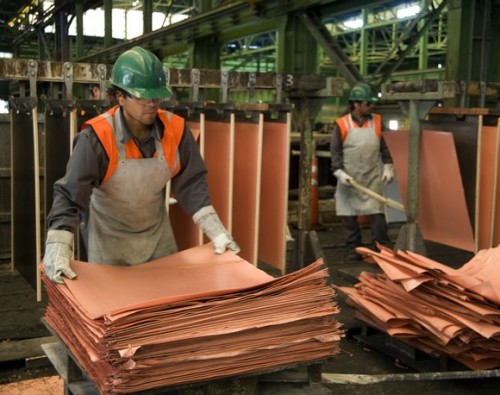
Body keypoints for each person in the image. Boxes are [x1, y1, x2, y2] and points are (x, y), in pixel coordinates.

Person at [43, 46, 240, 283]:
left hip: (157, 238)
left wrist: (217, 231)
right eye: (142, 96)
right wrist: (58, 243)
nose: (151, 103)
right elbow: (70, 192)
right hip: (108, 241)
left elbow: (191, 184)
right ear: (120, 97)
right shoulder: (97, 137)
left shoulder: (175, 131)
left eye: (156, 95)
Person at [330, 82, 394, 260]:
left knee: (377, 212)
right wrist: (339, 171)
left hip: (371, 176)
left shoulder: (378, 122)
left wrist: (388, 165)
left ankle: (382, 247)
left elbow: (386, 146)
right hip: (349, 177)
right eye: (367, 103)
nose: (371, 106)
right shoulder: (342, 124)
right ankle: (354, 247)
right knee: (348, 213)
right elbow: (335, 150)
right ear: (356, 104)